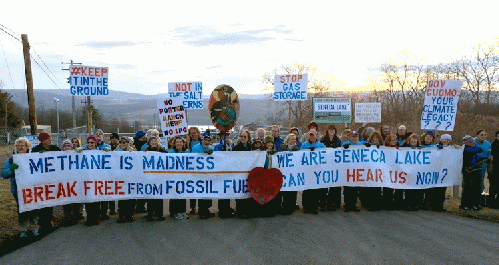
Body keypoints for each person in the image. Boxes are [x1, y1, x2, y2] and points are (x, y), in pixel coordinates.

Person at [2, 138, 40, 237]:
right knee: (22, 210)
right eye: (18, 146)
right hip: (18, 189)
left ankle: (34, 228)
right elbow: (3, 174)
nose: (20, 147)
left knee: (33, 209)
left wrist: (43, 156)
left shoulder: (33, 157)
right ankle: (23, 229)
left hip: (32, 188)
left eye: (22, 145)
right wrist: (11, 169)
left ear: (27, 147)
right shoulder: (11, 159)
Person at [31, 132, 60, 231]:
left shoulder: (55, 148)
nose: (50, 140)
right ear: (42, 141)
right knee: (42, 201)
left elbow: (64, 157)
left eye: (50, 138)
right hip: (41, 180)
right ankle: (42, 222)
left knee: (50, 201)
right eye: (47, 139)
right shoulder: (36, 150)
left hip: (52, 179)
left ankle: (49, 221)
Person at [301, 129, 326, 214]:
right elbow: (300, 156)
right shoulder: (304, 145)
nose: (312, 137)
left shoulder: (321, 145)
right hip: (307, 170)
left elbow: (326, 156)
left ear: (316, 135)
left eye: (313, 135)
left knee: (315, 190)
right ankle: (306, 206)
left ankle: (314, 207)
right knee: (307, 189)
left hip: (317, 170)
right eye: (310, 135)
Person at [232, 130, 257, 218]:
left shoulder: (252, 148)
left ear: (248, 138)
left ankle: (250, 210)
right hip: (240, 173)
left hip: (250, 173)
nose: (243, 138)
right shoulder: (236, 148)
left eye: (244, 137)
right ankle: (240, 211)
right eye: (241, 136)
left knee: (250, 191)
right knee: (241, 191)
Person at [192, 132, 215, 219]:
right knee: (201, 192)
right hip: (199, 173)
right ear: (202, 140)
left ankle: (207, 209)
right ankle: (201, 210)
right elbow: (192, 159)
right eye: (205, 140)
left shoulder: (211, 148)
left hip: (208, 174)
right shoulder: (196, 148)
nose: (207, 142)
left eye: (208, 140)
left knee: (208, 192)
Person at [144, 137, 167, 221]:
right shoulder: (145, 152)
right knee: (150, 196)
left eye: (155, 141)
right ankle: (150, 213)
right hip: (149, 177)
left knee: (159, 196)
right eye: (152, 141)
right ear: (149, 143)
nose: (154, 142)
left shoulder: (162, 151)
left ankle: (159, 213)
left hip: (159, 177)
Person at [461, 135, 486, 211]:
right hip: (468, 170)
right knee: (468, 188)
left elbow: (479, 154)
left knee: (476, 188)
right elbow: (478, 149)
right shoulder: (466, 149)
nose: (472, 143)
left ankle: (474, 204)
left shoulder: (473, 148)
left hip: (476, 170)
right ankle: (465, 204)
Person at [168, 136, 190, 220]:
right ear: (174, 144)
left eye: (180, 142)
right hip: (174, 176)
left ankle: (182, 211)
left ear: (183, 143)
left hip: (184, 176)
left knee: (183, 195)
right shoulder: (171, 152)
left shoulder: (187, 152)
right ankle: (175, 212)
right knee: (175, 195)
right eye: (177, 142)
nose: (179, 143)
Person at [320, 125, 342, 211]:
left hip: (335, 164)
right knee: (324, 184)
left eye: (333, 130)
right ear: (327, 131)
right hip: (325, 164)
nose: (331, 131)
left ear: (335, 131)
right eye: (330, 130)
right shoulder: (323, 139)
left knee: (334, 185)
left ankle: (332, 203)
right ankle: (323, 203)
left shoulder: (338, 140)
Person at [214, 131, 235, 218]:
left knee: (227, 189)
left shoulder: (231, 145)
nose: (226, 137)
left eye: (228, 136)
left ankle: (227, 207)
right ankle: (222, 209)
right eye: (225, 136)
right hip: (221, 170)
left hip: (229, 170)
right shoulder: (218, 146)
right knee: (222, 190)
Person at [115, 137, 136, 223]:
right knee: (122, 197)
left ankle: (130, 214)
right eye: (121, 142)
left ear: (128, 143)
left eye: (125, 142)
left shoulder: (133, 151)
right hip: (121, 177)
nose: (123, 144)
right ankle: (122, 214)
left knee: (131, 197)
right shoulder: (115, 152)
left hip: (131, 177)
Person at [280, 133, 300, 215]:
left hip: (293, 172)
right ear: (288, 140)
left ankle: (291, 207)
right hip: (285, 172)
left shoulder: (297, 149)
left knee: (292, 191)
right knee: (285, 190)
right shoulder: (283, 148)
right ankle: (285, 206)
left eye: (295, 139)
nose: (294, 141)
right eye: (292, 139)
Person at [382, 134, 402, 210]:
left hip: (397, 170)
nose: (394, 142)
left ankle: (398, 203)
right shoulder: (384, 149)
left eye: (395, 140)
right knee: (388, 188)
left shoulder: (400, 148)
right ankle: (387, 204)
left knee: (398, 187)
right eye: (392, 140)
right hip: (387, 170)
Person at [475, 129, 492, 206]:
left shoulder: (488, 144)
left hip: (484, 165)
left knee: (481, 181)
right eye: (481, 135)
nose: (483, 136)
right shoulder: (473, 142)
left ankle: (479, 200)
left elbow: (489, 153)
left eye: (485, 135)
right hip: (474, 165)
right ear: (477, 135)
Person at [133, 130, 148, 213]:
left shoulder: (147, 145)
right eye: (143, 137)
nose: (145, 138)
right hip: (135, 170)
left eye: (145, 137)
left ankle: (141, 205)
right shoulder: (133, 146)